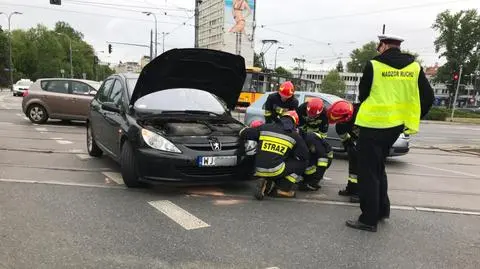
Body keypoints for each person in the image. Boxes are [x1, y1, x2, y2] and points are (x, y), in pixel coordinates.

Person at [345, 34, 434, 232]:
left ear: (383, 46)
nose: (379, 50)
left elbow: (363, 94)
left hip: (372, 125)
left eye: (379, 47)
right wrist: (412, 116)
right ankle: (382, 210)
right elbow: (428, 97)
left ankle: (368, 219)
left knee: (367, 172)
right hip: (395, 126)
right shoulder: (414, 67)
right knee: (378, 168)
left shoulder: (374, 65)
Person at [240, 111, 309, 199]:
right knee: (302, 163)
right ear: (294, 123)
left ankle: (266, 182)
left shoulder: (265, 127)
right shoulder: (294, 135)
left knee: (273, 160)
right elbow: (305, 155)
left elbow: (243, 133)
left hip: (258, 170)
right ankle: (282, 188)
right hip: (276, 170)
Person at [326, 100, 360, 203]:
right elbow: (345, 139)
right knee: (353, 170)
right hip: (355, 144)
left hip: (368, 142)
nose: (338, 123)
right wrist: (350, 149)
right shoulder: (340, 126)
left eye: (340, 120)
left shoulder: (361, 113)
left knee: (365, 171)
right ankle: (351, 189)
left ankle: (360, 194)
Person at [296, 98, 333, 191]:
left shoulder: (325, 114)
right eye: (309, 115)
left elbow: (323, 134)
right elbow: (296, 126)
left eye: (314, 116)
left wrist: (314, 141)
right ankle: (305, 175)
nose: (311, 117)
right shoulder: (301, 109)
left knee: (314, 157)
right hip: (302, 136)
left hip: (316, 138)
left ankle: (312, 176)